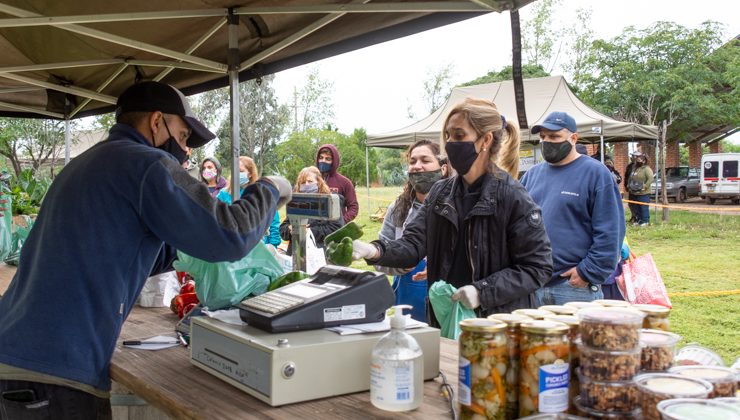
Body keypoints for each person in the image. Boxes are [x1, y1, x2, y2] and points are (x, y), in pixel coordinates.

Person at [0, 81, 292, 419]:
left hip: (17, 354)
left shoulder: (86, 165)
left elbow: (121, 249)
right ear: (157, 123)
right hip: (55, 369)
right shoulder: (144, 163)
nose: (185, 153)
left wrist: (186, 253)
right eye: (183, 137)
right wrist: (269, 190)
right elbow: (229, 233)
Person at [351, 98, 552, 323]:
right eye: (447, 135)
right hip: (446, 318)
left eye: (458, 135)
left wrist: (481, 291)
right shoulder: (441, 193)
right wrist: (374, 250)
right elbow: (414, 243)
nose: (450, 143)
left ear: (485, 140)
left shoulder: (512, 196)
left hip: (494, 327)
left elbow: (537, 267)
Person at [520, 111, 625, 305]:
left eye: (554, 136)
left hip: (573, 288)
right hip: (533, 285)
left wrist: (587, 272)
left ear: (574, 138)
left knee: (577, 337)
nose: (546, 142)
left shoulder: (596, 173)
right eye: (542, 137)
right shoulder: (531, 175)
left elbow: (611, 230)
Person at [374, 139, 449, 322]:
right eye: (413, 161)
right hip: (408, 305)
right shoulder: (398, 209)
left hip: (447, 304)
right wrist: (401, 262)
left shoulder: (455, 207)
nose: (417, 166)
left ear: (443, 168)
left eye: (425, 160)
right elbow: (380, 259)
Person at [216, 156, 281, 247]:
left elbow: (273, 221)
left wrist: (273, 245)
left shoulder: (261, 193)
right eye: (235, 171)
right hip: (229, 245)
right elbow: (213, 217)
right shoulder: (223, 194)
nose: (237, 174)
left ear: (250, 174)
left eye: (241, 171)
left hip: (258, 246)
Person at [279, 166, 343, 256]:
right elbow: (283, 228)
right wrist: (290, 229)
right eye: (303, 182)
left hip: (321, 254)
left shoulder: (329, 201)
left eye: (310, 181)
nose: (307, 184)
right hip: (296, 254)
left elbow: (337, 228)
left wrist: (310, 231)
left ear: (319, 182)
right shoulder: (295, 202)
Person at [316, 144, 359, 223]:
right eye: (321, 158)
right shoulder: (311, 180)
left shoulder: (344, 182)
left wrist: (341, 222)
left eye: (328, 159)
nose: (323, 161)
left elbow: (353, 207)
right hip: (313, 229)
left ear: (334, 161)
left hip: (335, 230)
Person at [627, 151, 654, 226]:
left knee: (643, 207)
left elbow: (651, 178)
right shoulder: (635, 168)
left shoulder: (646, 169)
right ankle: (637, 220)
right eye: (637, 159)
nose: (638, 160)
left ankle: (645, 221)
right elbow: (631, 177)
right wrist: (629, 185)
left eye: (639, 159)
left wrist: (645, 186)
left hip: (643, 193)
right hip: (634, 192)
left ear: (644, 161)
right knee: (636, 207)